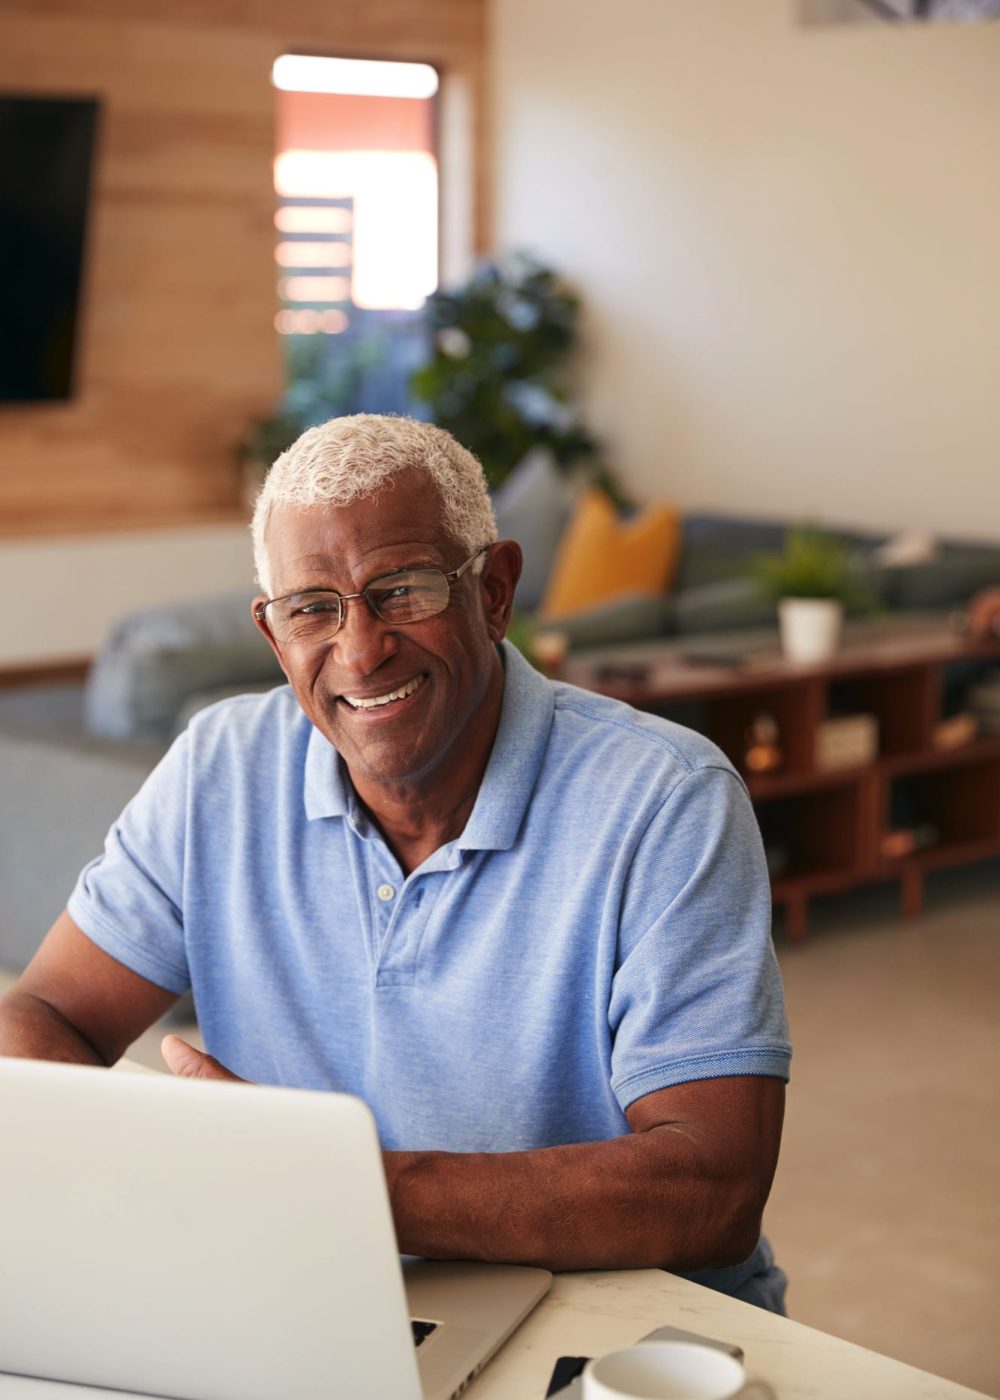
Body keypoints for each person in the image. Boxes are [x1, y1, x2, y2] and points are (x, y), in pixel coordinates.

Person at [0, 414, 791, 1309]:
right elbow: (45, 1010)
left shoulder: (666, 797)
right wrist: (143, 1179)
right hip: (317, 1292)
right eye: (312, 608)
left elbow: (712, 1185)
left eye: (403, 589)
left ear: (494, 591)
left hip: (617, 1319)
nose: (361, 649)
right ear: (273, 634)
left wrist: (337, 1188)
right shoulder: (218, 766)